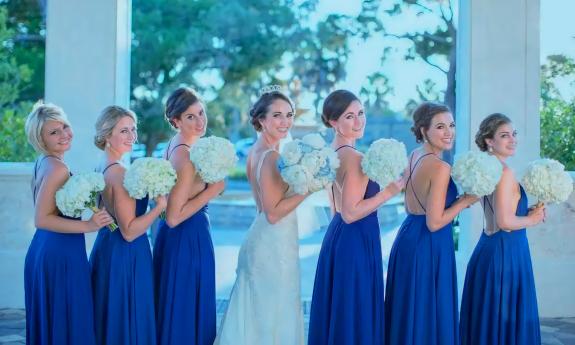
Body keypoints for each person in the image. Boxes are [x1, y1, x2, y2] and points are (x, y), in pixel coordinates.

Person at [307, 90, 404, 345]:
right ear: (333, 122)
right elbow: (350, 213)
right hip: (355, 240)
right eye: (350, 116)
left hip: (337, 238)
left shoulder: (329, 154)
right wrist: (390, 192)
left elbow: (335, 209)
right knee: (354, 310)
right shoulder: (356, 159)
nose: (359, 121)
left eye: (360, 113)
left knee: (340, 310)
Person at [215, 89, 309, 345]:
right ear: (262, 120)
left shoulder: (257, 151)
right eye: (277, 115)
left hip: (266, 239)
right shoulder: (271, 157)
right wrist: (308, 189)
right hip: (272, 244)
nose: (285, 122)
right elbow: (273, 213)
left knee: (259, 313)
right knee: (271, 314)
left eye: (289, 115)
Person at [384, 102, 478, 345]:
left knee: (410, 309)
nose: (448, 132)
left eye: (451, 125)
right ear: (424, 131)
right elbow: (435, 222)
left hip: (407, 235)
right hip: (429, 244)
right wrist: (464, 201)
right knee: (428, 309)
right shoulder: (440, 167)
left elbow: (410, 204)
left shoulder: (414, 156)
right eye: (440, 127)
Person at [24, 102, 113, 345]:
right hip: (59, 254)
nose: (64, 134)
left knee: (58, 323)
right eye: (54, 132)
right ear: (41, 139)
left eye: (64, 126)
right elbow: (41, 219)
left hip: (48, 249)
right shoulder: (57, 168)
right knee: (68, 321)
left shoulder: (45, 162)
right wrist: (89, 225)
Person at [459, 113, 545, 345]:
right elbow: (506, 221)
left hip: (488, 249)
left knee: (489, 323)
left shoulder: (486, 170)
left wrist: (525, 214)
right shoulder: (505, 173)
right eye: (504, 135)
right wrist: (533, 219)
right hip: (506, 254)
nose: (512, 139)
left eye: (514, 134)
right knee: (505, 323)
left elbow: (498, 214)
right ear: (489, 141)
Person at [90, 105, 166, 345]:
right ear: (106, 135)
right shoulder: (120, 173)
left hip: (106, 250)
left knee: (109, 318)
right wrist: (159, 207)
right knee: (129, 319)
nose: (132, 136)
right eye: (124, 131)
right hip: (127, 257)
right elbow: (130, 231)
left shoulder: (101, 164)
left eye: (133, 130)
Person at [154, 87, 223, 345]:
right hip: (187, 237)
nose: (200, 121)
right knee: (184, 306)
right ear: (176, 121)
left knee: (177, 303)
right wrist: (213, 190)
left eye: (201, 113)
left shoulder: (177, 146)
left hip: (176, 238)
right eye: (190, 117)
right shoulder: (185, 155)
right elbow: (173, 216)